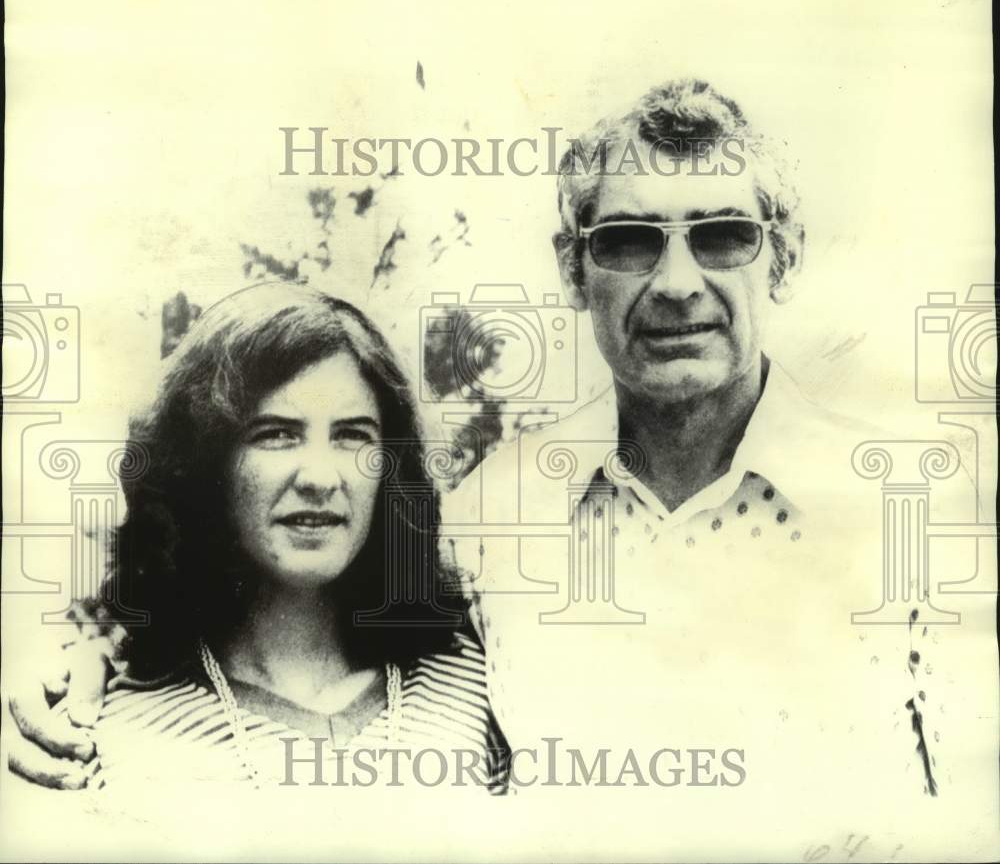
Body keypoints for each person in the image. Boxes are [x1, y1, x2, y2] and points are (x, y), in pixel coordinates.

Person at [8, 80, 995, 830]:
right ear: (573, 270)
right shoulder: (495, 512)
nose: (678, 283)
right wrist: (79, 661)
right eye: (629, 241)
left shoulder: (917, 510)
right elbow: (308, 615)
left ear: (781, 255)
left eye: (723, 236)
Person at [5, 281, 506, 794]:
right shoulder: (99, 723)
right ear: (205, 466)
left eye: (352, 435)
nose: (319, 477)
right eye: (275, 434)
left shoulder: (484, 687)